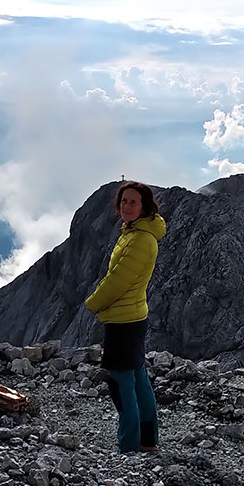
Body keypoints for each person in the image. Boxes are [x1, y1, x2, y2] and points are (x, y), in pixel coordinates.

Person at [85, 181, 166, 453]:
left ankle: (129, 444)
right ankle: (147, 440)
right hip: (133, 316)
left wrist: (93, 303)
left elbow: (118, 281)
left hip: (123, 321)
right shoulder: (135, 232)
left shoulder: (141, 240)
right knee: (138, 378)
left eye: (133, 202)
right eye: (124, 201)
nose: (127, 206)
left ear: (144, 207)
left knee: (121, 383)